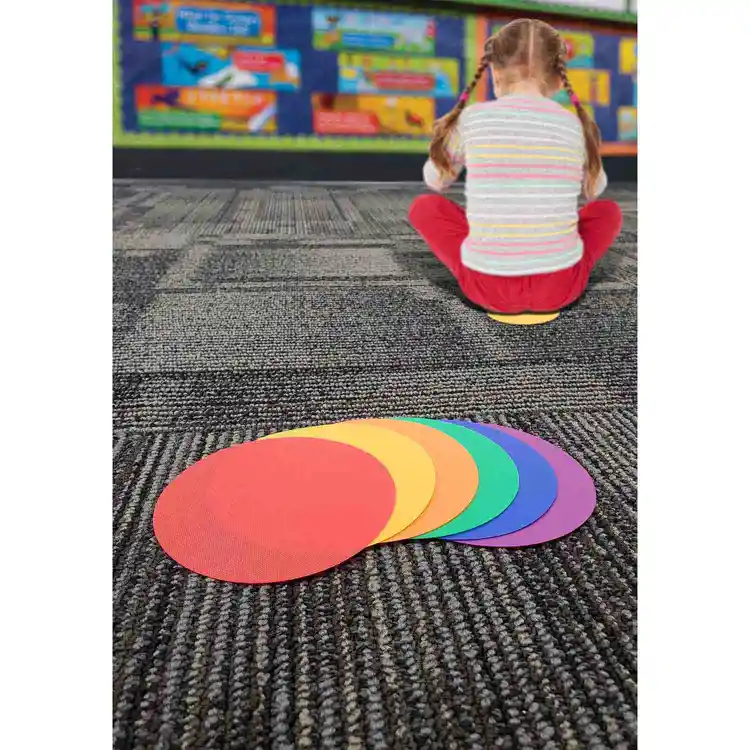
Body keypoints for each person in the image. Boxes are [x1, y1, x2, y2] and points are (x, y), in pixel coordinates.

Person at [408, 19, 623, 314]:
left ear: (494, 75)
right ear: (560, 81)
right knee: (608, 212)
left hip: (486, 288)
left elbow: (434, 180)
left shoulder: (472, 119)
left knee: (425, 207)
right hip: (560, 288)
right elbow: (595, 190)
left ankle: (490, 253)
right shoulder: (573, 125)